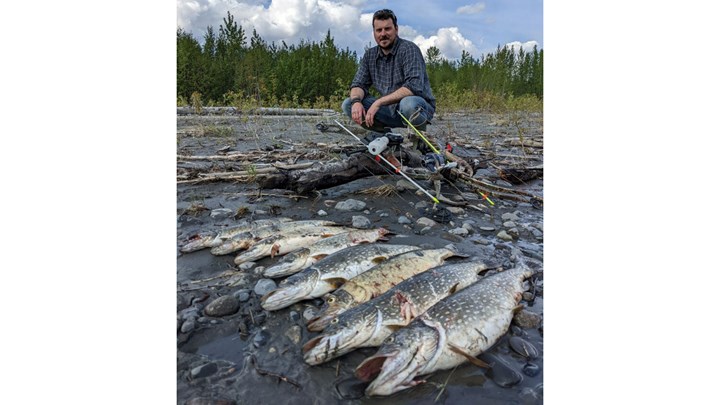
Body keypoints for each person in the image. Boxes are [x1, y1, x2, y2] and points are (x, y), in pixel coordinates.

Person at [342, 9, 472, 175]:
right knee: (348, 104)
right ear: (374, 32)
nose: (383, 34)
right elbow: (358, 84)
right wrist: (356, 102)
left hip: (417, 107)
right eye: (379, 30)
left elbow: (414, 86)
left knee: (408, 103)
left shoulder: (408, 49)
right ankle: (385, 139)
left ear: (396, 29)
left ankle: (420, 143)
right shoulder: (370, 56)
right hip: (390, 110)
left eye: (387, 29)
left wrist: (378, 102)